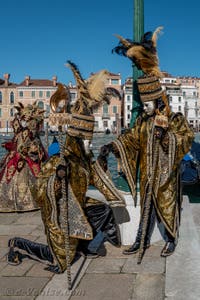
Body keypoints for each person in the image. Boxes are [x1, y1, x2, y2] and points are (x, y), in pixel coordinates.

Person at [7, 61, 125, 274]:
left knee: (103, 211)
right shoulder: (57, 162)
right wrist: (57, 181)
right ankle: (16, 244)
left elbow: (97, 178)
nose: (89, 145)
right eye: (85, 142)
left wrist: (105, 160)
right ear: (77, 141)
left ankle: (87, 245)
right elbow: (40, 191)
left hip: (77, 205)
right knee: (62, 262)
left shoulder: (83, 161)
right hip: (58, 212)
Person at [103, 27, 194, 262]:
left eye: (148, 103)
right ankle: (140, 239)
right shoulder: (142, 122)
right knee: (147, 208)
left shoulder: (174, 119)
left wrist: (166, 135)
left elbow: (185, 139)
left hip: (165, 176)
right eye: (144, 103)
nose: (144, 107)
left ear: (157, 100)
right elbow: (131, 139)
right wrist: (113, 146)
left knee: (166, 206)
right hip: (148, 174)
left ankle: (171, 239)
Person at [0, 102, 48, 212]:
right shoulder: (23, 130)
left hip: (26, 157)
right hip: (18, 157)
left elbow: (33, 143)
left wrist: (30, 150)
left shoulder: (31, 129)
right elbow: (17, 142)